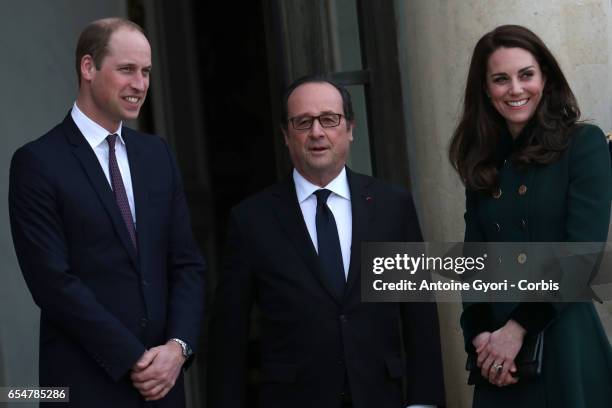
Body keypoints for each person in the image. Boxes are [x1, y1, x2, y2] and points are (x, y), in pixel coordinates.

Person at [207, 75, 445, 408]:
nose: (317, 132)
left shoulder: (393, 206)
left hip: (380, 396)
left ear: (349, 128)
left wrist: (424, 402)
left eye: (329, 120)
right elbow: (229, 333)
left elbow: (418, 314)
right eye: (303, 122)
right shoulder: (251, 220)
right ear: (286, 135)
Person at [9, 18, 205, 407]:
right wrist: (134, 358)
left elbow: (186, 264)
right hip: (84, 387)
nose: (140, 84)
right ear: (88, 68)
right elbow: (53, 283)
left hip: (163, 389)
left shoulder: (157, 156)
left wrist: (177, 349)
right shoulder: (38, 162)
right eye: (127, 70)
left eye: (146, 71)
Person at [449, 25, 612, 407]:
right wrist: (480, 336)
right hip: (497, 357)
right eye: (501, 79)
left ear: (545, 79)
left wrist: (518, 329)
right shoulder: (483, 162)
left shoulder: (583, 145)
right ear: (487, 91)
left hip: (561, 337)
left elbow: (582, 256)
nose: (516, 89)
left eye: (526, 75)